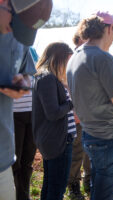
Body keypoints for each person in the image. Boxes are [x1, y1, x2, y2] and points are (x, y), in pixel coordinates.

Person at [67, 12, 113, 200]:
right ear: (109, 28)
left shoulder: (75, 56)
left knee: (98, 191)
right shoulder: (103, 58)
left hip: (91, 135)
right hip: (110, 139)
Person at [0, 1, 52, 199]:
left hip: (3, 158)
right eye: (16, 25)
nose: (14, 34)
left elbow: (27, 73)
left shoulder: (18, 41)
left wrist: (21, 82)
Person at [32, 42, 74, 200]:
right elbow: (53, 113)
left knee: (51, 185)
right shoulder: (47, 78)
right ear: (58, 58)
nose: (68, 65)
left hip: (56, 139)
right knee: (57, 188)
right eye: (67, 60)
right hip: (58, 141)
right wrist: (72, 103)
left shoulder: (49, 78)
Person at [12, 48, 37, 200]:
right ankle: (15, 195)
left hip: (32, 112)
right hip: (13, 113)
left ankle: (24, 195)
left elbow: (33, 75)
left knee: (28, 159)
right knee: (15, 160)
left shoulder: (26, 48)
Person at [67, 31, 89, 200]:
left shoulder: (90, 58)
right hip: (77, 114)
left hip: (91, 114)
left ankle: (88, 181)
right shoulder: (71, 59)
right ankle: (73, 184)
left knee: (90, 151)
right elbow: (67, 87)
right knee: (77, 151)